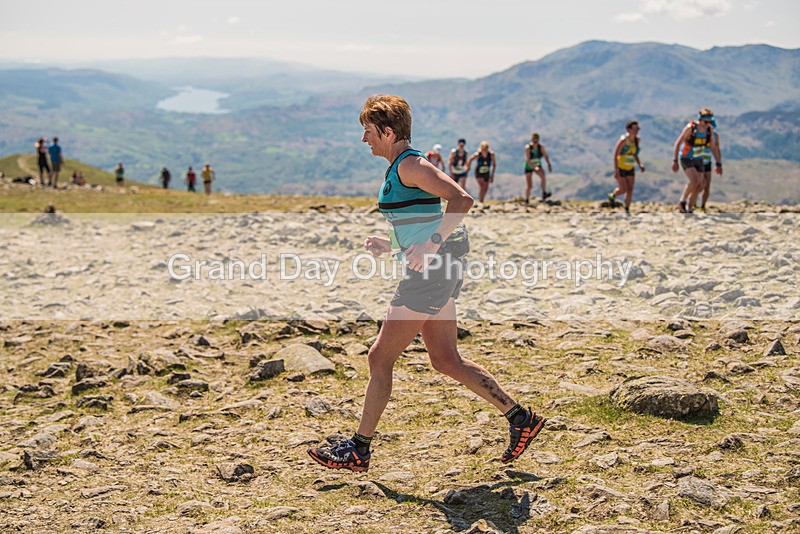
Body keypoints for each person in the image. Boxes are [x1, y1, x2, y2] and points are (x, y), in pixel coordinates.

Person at [307, 94, 546, 473]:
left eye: (368, 132)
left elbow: (461, 200)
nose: (364, 140)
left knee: (379, 356)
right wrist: (394, 244)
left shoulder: (412, 165)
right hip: (440, 270)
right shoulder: (400, 167)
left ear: (387, 132)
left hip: (431, 275)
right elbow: (423, 220)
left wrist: (432, 244)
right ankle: (521, 419)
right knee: (446, 359)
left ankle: (359, 449)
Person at [672, 108, 718, 214]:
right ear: (700, 120)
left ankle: (689, 207)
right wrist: (675, 161)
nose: (707, 124)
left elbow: (712, 147)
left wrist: (718, 162)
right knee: (695, 181)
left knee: (700, 185)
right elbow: (678, 143)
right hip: (687, 158)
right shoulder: (690, 128)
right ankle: (682, 201)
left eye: (710, 122)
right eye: (706, 122)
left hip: (699, 158)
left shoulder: (709, 130)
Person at [608, 121, 645, 215]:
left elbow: (634, 154)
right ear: (629, 129)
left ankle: (627, 208)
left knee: (630, 189)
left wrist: (640, 164)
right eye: (634, 129)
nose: (636, 131)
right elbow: (616, 154)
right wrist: (616, 169)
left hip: (630, 166)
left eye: (638, 129)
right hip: (621, 166)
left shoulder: (637, 140)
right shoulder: (623, 140)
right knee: (623, 188)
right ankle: (613, 195)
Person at [698, 118, 723, 212]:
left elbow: (717, 149)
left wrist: (718, 163)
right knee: (699, 183)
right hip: (698, 160)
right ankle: (693, 201)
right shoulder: (700, 134)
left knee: (707, 184)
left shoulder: (715, 136)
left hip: (707, 161)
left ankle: (702, 206)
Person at [523, 133, 552, 203]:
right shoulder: (528, 147)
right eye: (534, 141)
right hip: (529, 167)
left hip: (538, 165)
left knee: (543, 176)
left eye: (536, 141)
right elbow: (527, 159)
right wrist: (534, 167)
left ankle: (544, 193)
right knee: (530, 186)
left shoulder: (541, 147)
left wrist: (549, 165)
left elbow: (546, 156)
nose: (535, 142)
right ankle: (526, 199)